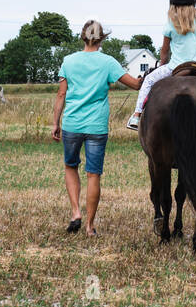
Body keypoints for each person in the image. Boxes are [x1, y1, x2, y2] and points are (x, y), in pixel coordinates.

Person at [52, 19, 142, 236]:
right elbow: (136, 85)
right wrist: (151, 76)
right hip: (97, 127)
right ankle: (90, 226)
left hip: (72, 123)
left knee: (70, 166)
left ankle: (75, 213)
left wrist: (56, 122)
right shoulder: (108, 62)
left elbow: (61, 94)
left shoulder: (68, 61)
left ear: (83, 36)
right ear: (102, 38)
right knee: (94, 175)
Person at [125, 0, 196, 130]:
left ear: (171, 3)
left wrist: (162, 64)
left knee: (148, 81)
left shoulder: (170, 24)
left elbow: (165, 50)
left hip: (176, 66)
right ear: (194, 1)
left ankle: (136, 115)